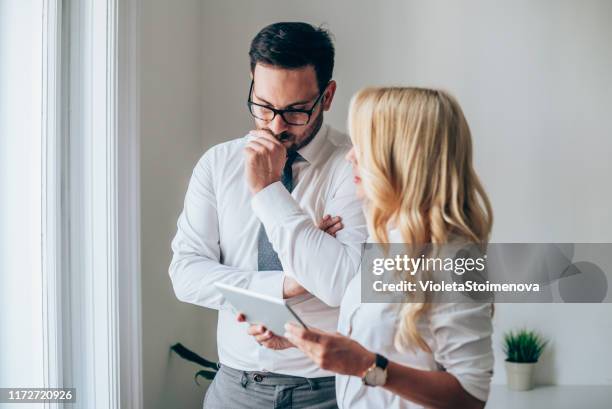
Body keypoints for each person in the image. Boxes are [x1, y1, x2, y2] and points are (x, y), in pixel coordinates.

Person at [251, 87, 495, 408]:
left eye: (365, 145)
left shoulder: (453, 257)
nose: (351, 155)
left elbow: (471, 397)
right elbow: (382, 345)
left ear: (404, 155)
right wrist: (304, 340)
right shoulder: (385, 239)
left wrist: (367, 366)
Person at [169, 22, 367, 408]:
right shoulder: (217, 164)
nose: (275, 126)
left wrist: (267, 188)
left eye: (295, 112)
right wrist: (289, 284)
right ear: (251, 83)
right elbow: (186, 275)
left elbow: (342, 281)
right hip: (234, 386)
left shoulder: (353, 167)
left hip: (327, 390)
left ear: (326, 97)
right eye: (263, 106)